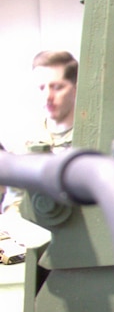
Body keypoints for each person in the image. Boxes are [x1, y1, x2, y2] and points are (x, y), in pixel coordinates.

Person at [2, 51, 79, 213]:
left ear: (75, 88)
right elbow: (15, 200)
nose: (47, 97)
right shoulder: (25, 142)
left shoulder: (89, 139)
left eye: (57, 87)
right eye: (41, 88)